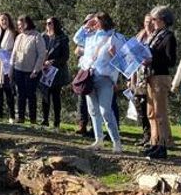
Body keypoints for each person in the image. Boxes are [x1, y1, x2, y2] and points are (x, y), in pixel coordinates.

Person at [74, 12, 128, 152]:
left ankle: (116, 143)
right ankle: (98, 140)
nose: (94, 24)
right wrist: (86, 25)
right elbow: (76, 39)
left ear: (104, 21)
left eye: (96, 21)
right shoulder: (91, 36)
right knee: (93, 111)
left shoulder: (116, 37)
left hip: (105, 78)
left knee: (105, 111)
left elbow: (125, 59)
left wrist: (114, 54)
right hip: (89, 76)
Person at [143, 6, 177, 160]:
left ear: (163, 20)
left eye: (155, 19)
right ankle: (154, 143)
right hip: (150, 76)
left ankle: (163, 145)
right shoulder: (154, 35)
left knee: (160, 113)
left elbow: (171, 60)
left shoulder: (169, 37)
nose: (152, 22)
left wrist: (152, 59)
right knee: (151, 112)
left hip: (160, 77)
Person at [11, 15, 48, 125]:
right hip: (18, 69)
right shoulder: (19, 37)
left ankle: (33, 119)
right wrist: (11, 69)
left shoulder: (37, 36)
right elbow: (14, 53)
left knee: (31, 95)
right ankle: (21, 117)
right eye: (18, 25)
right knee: (20, 94)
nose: (19, 27)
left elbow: (42, 54)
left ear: (27, 23)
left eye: (21, 24)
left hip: (31, 71)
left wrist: (36, 70)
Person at [130, 15, 156, 148]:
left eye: (150, 22)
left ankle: (154, 137)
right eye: (146, 22)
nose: (148, 24)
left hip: (151, 76)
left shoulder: (155, 38)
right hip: (139, 76)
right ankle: (146, 135)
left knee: (150, 107)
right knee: (140, 106)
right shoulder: (139, 38)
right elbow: (133, 60)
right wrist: (131, 80)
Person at [40, 17, 70, 129]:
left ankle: (56, 122)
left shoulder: (62, 38)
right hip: (44, 71)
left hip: (57, 72)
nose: (48, 25)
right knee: (44, 96)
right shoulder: (42, 37)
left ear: (55, 25)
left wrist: (53, 62)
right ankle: (45, 120)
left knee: (56, 97)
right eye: (46, 23)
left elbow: (65, 57)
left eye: (50, 23)